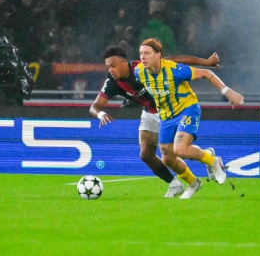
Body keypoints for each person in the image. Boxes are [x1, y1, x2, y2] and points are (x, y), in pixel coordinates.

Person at [90, 45, 220, 198]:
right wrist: (101, 114)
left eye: (113, 65)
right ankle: (176, 184)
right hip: (149, 113)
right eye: (108, 67)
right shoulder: (112, 82)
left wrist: (205, 62)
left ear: (124, 62)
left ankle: (206, 158)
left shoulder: (141, 67)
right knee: (145, 154)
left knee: (175, 153)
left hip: (171, 110)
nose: (110, 70)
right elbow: (95, 106)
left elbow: (175, 60)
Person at [134, 38, 244, 199]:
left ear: (158, 55)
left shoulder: (174, 70)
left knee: (180, 149)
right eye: (141, 53)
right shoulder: (139, 71)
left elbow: (207, 74)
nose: (143, 57)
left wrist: (227, 91)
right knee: (168, 159)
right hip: (165, 116)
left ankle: (213, 161)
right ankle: (193, 183)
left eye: (147, 53)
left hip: (187, 109)